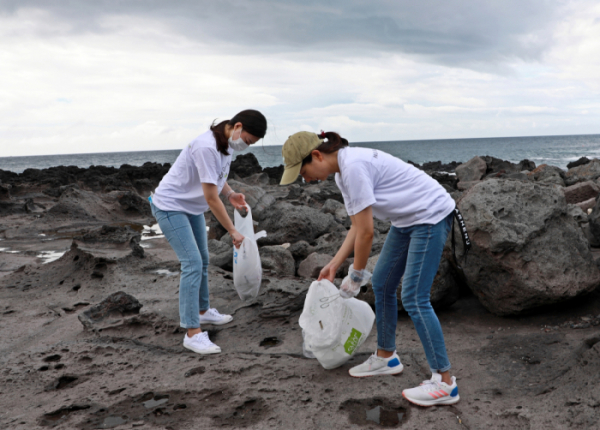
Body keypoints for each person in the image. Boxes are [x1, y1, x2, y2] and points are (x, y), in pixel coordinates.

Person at [279, 131, 460, 407]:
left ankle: (445, 382)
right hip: (406, 218)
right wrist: (334, 264)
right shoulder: (342, 172)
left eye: (303, 171)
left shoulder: (352, 168)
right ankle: (387, 356)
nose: (306, 179)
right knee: (384, 284)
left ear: (317, 155)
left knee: (414, 298)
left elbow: (366, 234)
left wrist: (356, 275)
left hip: (429, 215)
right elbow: (357, 225)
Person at [149, 110, 267, 355]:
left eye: (251, 144)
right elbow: (211, 198)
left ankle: (203, 312)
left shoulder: (226, 145)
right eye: (247, 140)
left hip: (190, 207)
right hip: (170, 206)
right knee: (191, 263)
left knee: (202, 259)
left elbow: (217, 178)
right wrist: (232, 230)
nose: (246, 146)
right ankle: (192, 333)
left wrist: (231, 194)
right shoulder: (206, 146)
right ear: (237, 126)